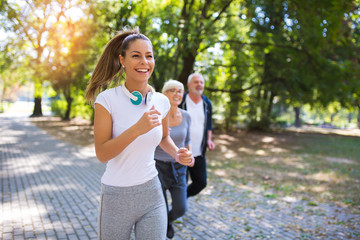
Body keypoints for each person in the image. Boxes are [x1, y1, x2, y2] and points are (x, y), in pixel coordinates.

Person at [85, 27, 194, 240]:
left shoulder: (160, 101)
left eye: (149, 56)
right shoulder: (107, 100)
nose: (144, 62)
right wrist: (136, 129)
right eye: (136, 56)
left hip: (151, 193)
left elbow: (163, 137)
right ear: (122, 60)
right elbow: (102, 154)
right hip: (116, 196)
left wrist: (177, 154)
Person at [154, 80, 193, 239]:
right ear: (164, 94)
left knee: (180, 208)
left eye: (180, 91)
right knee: (160, 207)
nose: (177, 93)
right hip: (158, 166)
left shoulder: (186, 116)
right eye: (172, 90)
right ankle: (162, 228)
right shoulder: (156, 115)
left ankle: (168, 221)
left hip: (179, 168)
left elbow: (188, 140)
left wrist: (189, 157)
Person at [179, 73, 215, 198]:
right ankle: (178, 209)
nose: (199, 84)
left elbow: (208, 124)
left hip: (199, 152)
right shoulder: (181, 100)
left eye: (201, 82)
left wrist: (209, 140)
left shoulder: (207, 103)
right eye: (196, 82)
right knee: (180, 183)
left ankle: (181, 200)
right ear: (188, 85)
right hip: (182, 151)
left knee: (201, 183)